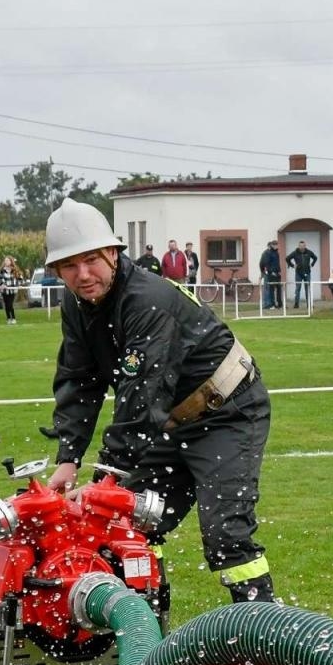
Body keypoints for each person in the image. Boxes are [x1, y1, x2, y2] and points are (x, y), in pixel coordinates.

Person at [44, 198, 276, 612]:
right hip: (167, 421)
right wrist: (68, 456)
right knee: (125, 524)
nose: (82, 275)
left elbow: (139, 398)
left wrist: (104, 479)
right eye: (69, 266)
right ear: (56, 271)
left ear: (113, 253)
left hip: (226, 413)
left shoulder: (147, 299)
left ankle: (267, 636)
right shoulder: (75, 305)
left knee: (226, 534)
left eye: (92, 260)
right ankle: (149, 636)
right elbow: (80, 381)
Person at [287, 240, 317, 308]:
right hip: (298, 274)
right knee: (298, 289)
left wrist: (312, 264)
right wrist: (292, 265)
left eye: (303, 246)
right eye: (300, 246)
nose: (302, 247)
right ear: (298, 246)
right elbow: (287, 258)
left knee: (308, 289)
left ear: (305, 246)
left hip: (307, 273)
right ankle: (296, 304)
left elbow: (315, 258)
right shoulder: (295, 253)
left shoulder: (309, 252)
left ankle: (309, 304)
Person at [0, 255, 23, 325]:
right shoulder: (2, 270)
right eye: (5, 261)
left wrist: (19, 285)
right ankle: (8, 318)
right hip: (5, 291)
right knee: (6, 304)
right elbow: (0, 279)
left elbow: (20, 278)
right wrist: (2, 284)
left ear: (11, 261)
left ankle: (13, 318)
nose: (6, 262)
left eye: (8, 260)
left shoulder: (15, 270)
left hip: (12, 290)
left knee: (10, 304)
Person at [258, 240, 282, 309]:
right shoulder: (266, 253)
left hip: (274, 273)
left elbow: (277, 263)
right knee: (268, 289)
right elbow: (263, 263)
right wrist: (264, 272)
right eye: (273, 245)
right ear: (270, 246)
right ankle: (268, 304)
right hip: (268, 273)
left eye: (276, 244)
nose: (275, 246)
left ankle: (274, 303)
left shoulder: (276, 253)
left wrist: (279, 271)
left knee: (274, 288)